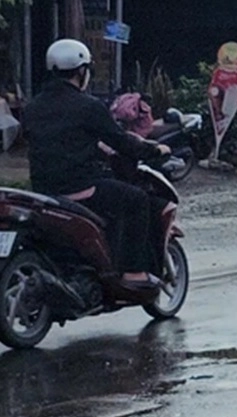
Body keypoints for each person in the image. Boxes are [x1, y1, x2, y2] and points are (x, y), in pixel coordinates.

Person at [23, 39, 172, 291]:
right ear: (82, 71)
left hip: (43, 190)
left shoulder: (32, 107)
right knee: (137, 199)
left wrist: (95, 147)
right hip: (80, 188)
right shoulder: (88, 106)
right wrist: (155, 149)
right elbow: (122, 142)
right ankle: (134, 272)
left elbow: (52, 140)